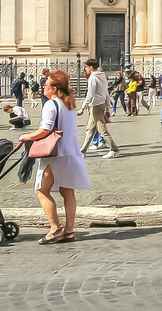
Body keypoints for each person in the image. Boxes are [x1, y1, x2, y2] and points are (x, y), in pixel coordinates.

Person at [19, 69, 89, 244]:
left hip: (55, 156)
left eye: (46, 84)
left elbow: (46, 129)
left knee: (41, 191)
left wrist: (27, 136)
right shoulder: (70, 104)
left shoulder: (51, 104)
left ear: (55, 88)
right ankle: (70, 230)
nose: (43, 86)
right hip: (71, 153)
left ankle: (55, 228)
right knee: (68, 192)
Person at [80, 58, 120, 159]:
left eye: (86, 67)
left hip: (95, 106)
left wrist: (82, 107)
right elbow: (106, 94)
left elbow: (90, 95)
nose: (86, 69)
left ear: (91, 68)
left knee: (102, 130)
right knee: (90, 129)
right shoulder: (102, 77)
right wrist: (107, 108)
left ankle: (114, 149)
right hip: (100, 104)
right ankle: (83, 150)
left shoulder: (93, 78)